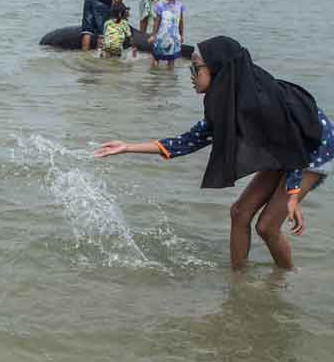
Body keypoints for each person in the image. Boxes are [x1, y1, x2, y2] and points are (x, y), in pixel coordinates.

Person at [94, 36, 332, 269]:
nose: (191, 77)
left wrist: (292, 195)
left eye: (196, 69)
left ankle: (286, 281)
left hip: (313, 146)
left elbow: (294, 144)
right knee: (239, 212)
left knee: (267, 226)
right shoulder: (227, 100)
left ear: (219, 70)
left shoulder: (260, 104)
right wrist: (127, 147)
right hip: (285, 148)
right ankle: (238, 284)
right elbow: (186, 142)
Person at [148, 0, 185, 65]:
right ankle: (169, 77)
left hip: (161, 38)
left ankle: (154, 76)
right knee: (171, 61)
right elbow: (181, 22)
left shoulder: (160, 6)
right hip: (174, 39)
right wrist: (181, 35)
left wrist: (153, 35)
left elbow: (157, 22)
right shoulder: (180, 6)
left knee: (156, 58)